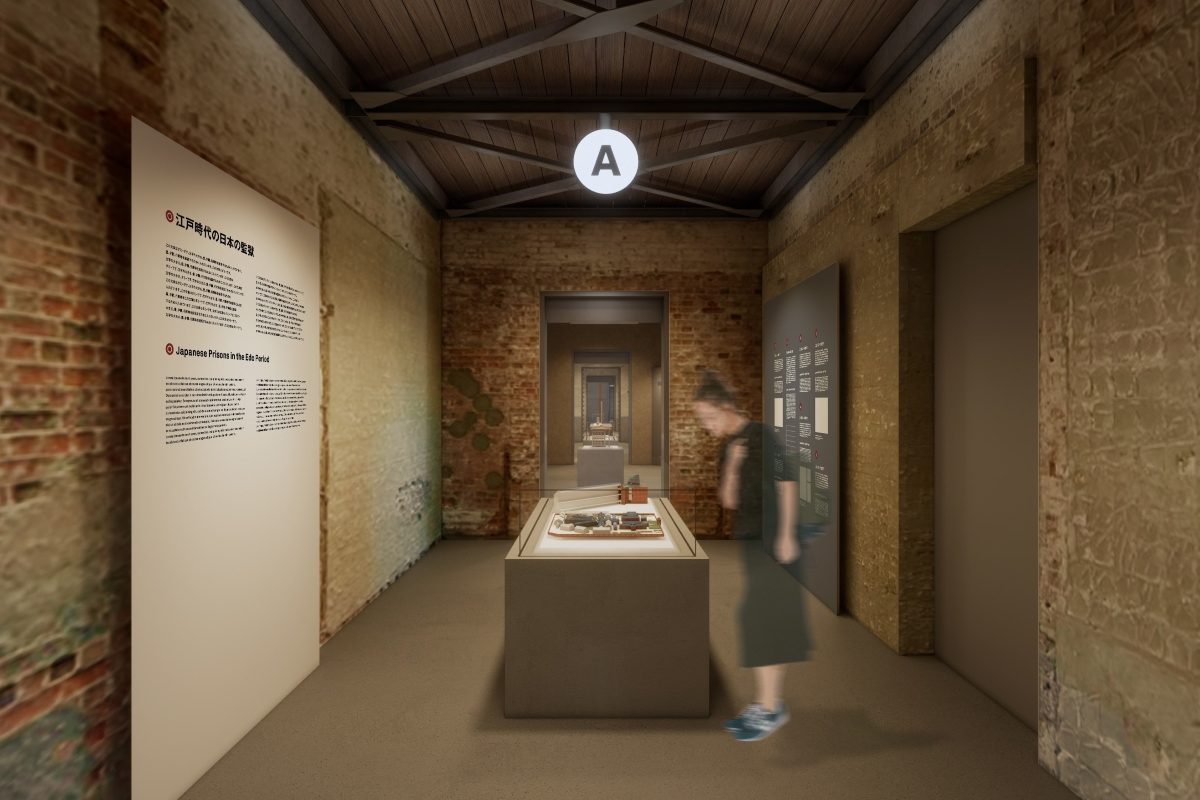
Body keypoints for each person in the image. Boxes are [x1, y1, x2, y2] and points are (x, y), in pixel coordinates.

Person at [693, 370, 811, 742]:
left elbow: (788, 482)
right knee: (758, 619)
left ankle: (771, 707)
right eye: (702, 420)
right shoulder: (731, 446)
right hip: (751, 541)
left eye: (710, 418)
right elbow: (727, 500)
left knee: (765, 620)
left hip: (776, 542)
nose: (707, 426)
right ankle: (767, 704)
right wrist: (732, 464)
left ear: (727, 408)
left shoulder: (763, 436)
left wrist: (789, 535)